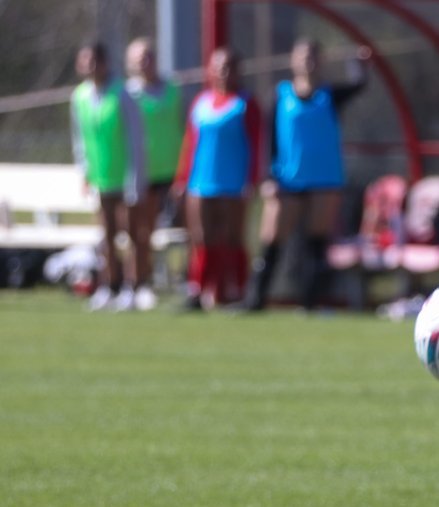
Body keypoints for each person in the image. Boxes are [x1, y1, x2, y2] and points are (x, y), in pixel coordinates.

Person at [244, 38, 370, 312]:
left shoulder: (330, 96)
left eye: (313, 55)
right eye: (302, 55)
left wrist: (357, 63)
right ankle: (255, 300)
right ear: (293, 60)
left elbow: (360, 84)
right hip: (287, 180)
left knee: (316, 243)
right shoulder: (281, 95)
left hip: (324, 180)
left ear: (321, 60)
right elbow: (269, 140)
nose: (308, 61)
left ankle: (310, 304)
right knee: (272, 241)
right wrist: (268, 178)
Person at [174, 47, 261, 310]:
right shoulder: (201, 102)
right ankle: (198, 291)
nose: (223, 73)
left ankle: (238, 291)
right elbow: (191, 143)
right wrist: (182, 178)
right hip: (201, 181)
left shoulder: (245, 103)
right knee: (202, 238)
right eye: (218, 67)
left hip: (233, 182)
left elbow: (255, 144)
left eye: (228, 67)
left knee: (234, 238)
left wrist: (252, 179)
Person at [70, 41, 147, 311]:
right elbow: (80, 139)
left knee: (132, 235)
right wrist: (85, 173)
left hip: (123, 176)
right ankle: (109, 286)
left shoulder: (121, 94)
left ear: (104, 63)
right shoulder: (79, 96)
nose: (89, 66)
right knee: (107, 236)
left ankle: (133, 286)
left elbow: (135, 139)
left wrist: (135, 179)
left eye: (93, 60)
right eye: (84, 60)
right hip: (101, 178)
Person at [124, 36, 185, 312]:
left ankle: (186, 281)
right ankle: (141, 284)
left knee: (188, 231)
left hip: (173, 172)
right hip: (144, 172)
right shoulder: (128, 94)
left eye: (148, 56)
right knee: (142, 231)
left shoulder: (171, 89)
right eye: (139, 58)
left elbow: (183, 128)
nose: (144, 62)